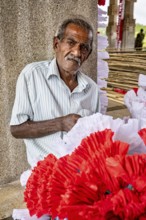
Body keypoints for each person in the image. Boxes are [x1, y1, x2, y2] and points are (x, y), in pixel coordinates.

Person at [10, 16, 100, 167]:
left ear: (88, 54)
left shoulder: (92, 89)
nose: (77, 52)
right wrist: (61, 123)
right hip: (45, 176)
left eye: (84, 47)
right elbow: (16, 130)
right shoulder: (32, 75)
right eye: (71, 42)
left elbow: (96, 134)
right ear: (56, 44)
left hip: (80, 172)